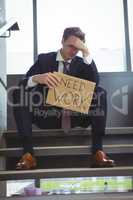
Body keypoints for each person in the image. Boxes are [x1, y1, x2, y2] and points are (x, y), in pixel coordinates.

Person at [13, 27, 115, 170]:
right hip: (47, 115)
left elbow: (95, 83)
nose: (73, 51)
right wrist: (38, 78)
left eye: (77, 48)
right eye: (70, 46)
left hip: (76, 116)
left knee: (100, 92)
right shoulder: (44, 59)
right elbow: (23, 83)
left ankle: (98, 152)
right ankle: (28, 155)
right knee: (18, 94)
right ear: (62, 41)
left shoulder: (83, 63)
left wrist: (86, 52)